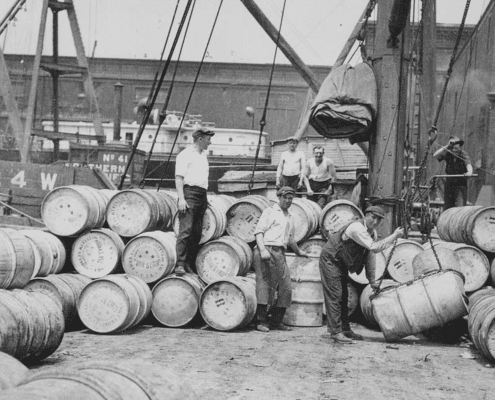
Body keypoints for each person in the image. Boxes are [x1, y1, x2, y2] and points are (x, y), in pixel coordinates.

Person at [319, 205, 404, 344]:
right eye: (373, 217)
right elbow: (374, 248)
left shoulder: (372, 233)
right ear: (366, 215)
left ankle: (345, 329)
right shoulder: (357, 228)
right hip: (331, 259)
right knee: (335, 295)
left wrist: (372, 281)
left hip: (341, 262)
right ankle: (335, 332)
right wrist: (394, 236)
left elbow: (370, 256)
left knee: (344, 295)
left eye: (379, 220)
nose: (375, 222)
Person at [253, 186, 309, 332]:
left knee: (286, 287)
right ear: (279, 197)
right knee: (265, 285)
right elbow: (259, 232)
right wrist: (263, 249)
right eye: (285, 198)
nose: (288, 201)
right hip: (266, 249)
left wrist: (298, 252)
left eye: (291, 198)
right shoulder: (270, 212)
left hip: (280, 252)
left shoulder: (290, 216)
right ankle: (261, 321)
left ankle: (276, 321)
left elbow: (290, 239)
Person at [174, 127, 215, 275]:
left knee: (197, 233)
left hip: (201, 195)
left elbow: (201, 178)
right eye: (208, 139)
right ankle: (179, 264)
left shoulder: (203, 155)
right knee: (186, 230)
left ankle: (188, 263)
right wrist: (181, 199)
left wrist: (205, 198)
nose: (210, 143)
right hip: (189, 193)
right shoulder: (185, 155)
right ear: (200, 139)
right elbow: (179, 178)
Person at [433, 136, 473, 210]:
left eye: (456, 149)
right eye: (452, 148)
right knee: (447, 208)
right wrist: (447, 146)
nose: (454, 150)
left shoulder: (463, 155)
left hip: (460, 185)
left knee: (459, 208)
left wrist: (469, 172)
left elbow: (469, 165)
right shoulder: (448, 153)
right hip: (449, 185)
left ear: (460, 147)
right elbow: (435, 155)